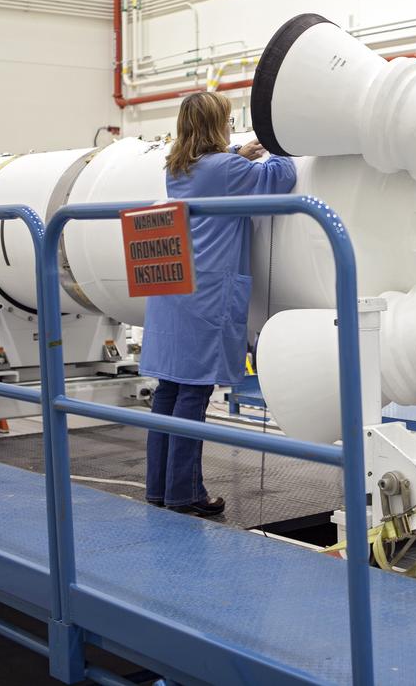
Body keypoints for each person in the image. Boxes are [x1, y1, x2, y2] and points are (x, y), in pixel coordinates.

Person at [140, 92, 296, 517]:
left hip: (173, 293)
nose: (232, 127)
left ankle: (159, 489)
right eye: (228, 121)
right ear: (217, 126)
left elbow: (217, 169)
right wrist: (277, 140)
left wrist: (237, 153)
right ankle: (186, 495)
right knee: (193, 393)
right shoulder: (227, 169)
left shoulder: (177, 167)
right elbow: (280, 176)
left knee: (168, 392)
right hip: (205, 297)